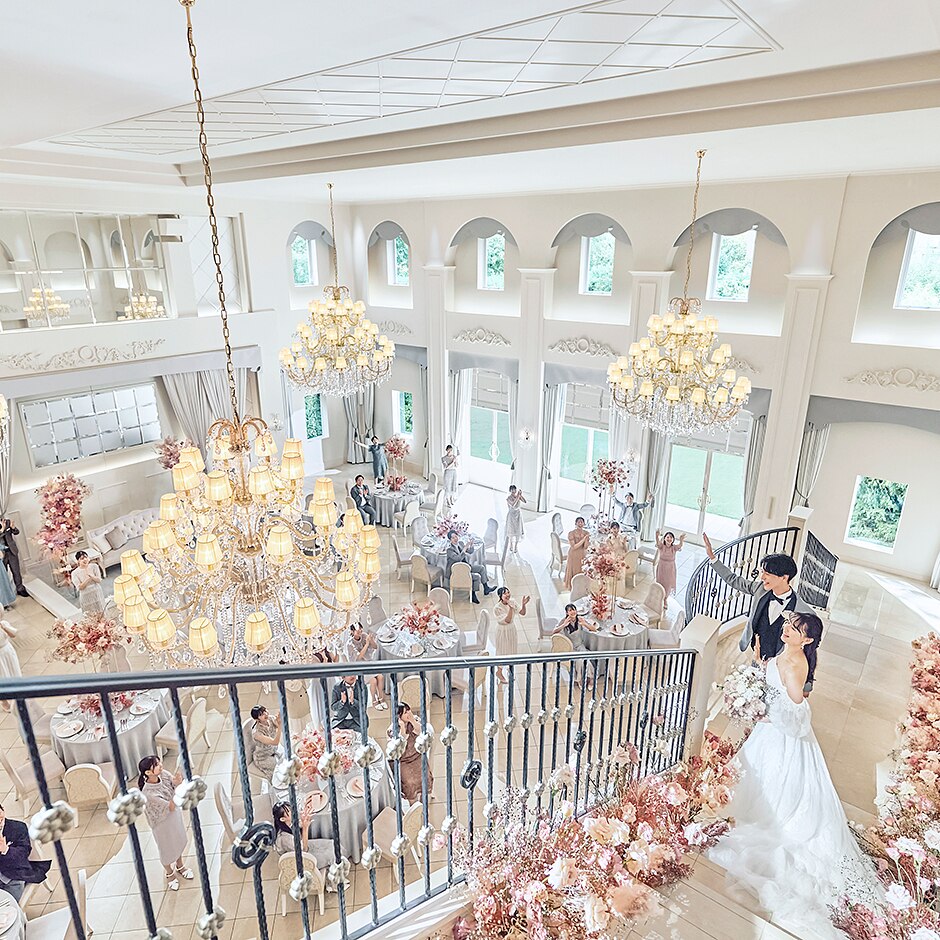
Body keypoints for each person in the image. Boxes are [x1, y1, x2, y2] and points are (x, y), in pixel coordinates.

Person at [708, 612, 881, 936]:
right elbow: (775, 690)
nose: (787, 630)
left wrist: (764, 715)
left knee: (774, 787)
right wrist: (758, 677)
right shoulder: (784, 654)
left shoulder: (796, 664)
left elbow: (798, 717)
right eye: (789, 625)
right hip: (767, 732)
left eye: (795, 629)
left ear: (808, 640)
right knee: (750, 775)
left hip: (782, 739)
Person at [703, 533, 816, 691]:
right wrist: (712, 558)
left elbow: (809, 651)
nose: (762, 577)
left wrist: (807, 683)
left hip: (780, 663)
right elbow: (733, 580)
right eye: (762, 572)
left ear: (784, 577)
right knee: (755, 688)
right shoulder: (760, 589)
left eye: (767, 574)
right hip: (756, 653)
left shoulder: (804, 613)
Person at [138, 756, 194, 892]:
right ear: (148, 772)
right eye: (156, 765)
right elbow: (170, 806)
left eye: (159, 762)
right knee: (166, 847)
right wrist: (180, 788)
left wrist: (177, 781)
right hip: (161, 823)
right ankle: (169, 873)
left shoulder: (163, 774)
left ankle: (180, 865)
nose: (160, 765)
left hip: (174, 816)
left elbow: (172, 782)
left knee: (178, 840)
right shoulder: (149, 793)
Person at [0, 803, 51, 900]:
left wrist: (6, 850)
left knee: (10, 903)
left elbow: (24, 853)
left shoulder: (18, 827)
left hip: (14, 873)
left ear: (3, 809)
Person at [388, 703, 433, 803]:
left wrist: (412, 721)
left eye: (409, 710)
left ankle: (424, 804)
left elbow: (422, 733)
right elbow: (399, 749)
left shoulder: (415, 720)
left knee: (425, 777)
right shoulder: (393, 730)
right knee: (409, 783)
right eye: (405, 712)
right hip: (403, 760)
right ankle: (414, 806)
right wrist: (403, 731)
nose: (409, 713)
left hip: (417, 755)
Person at [444, 530, 494, 604]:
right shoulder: (449, 550)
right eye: (453, 538)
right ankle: (473, 594)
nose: (455, 539)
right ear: (450, 540)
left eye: (456, 536)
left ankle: (486, 588)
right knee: (476, 577)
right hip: (456, 572)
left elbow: (470, 551)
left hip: (466, 567)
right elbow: (458, 558)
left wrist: (471, 545)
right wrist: (464, 548)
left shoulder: (460, 543)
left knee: (481, 568)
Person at [346, 623, 386, 710]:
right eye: (358, 631)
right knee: (373, 681)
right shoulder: (349, 644)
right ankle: (374, 700)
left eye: (361, 629)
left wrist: (371, 640)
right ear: (352, 632)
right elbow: (359, 657)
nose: (360, 632)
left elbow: (375, 647)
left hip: (369, 663)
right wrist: (367, 644)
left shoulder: (364, 635)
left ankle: (381, 698)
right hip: (359, 667)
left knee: (380, 677)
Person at [492, 587, 529, 683]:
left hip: (511, 630)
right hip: (502, 631)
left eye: (508, 592)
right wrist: (511, 608)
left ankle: (510, 669)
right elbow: (507, 620)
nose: (507, 595)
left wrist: (523, 605)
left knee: (512, 649)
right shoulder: (497, 608)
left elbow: (522, 613)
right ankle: (499, 672)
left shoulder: (512, 601)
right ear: (500, 596)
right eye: (505, 593)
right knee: (502, 651)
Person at [249, 705, 282, 778]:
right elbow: (275, 742)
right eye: (261, 714)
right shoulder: (257, 733)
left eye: (265, 711)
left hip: (274, 749)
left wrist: (280, 719)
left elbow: (280, 725)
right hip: (263, 757)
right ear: (257, 719)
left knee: (289, 761)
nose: (266, 714)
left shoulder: (271, 718)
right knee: (278, 773)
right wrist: (280, 725)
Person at [654, 530, 685, 602]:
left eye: (671, 537)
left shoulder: (674, 548)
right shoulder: (662, 546)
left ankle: (665, 599)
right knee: (660, 581)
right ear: (664, 538)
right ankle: (659, 596)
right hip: (661, 567)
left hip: (670, 569)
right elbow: (658, 543)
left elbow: (680, 546)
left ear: (673, 539)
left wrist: (681, 540)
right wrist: (657, 536)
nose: (669, 539)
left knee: (668, 584)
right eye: (667, 537)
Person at [0, 520, 26, 597]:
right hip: (1, 553)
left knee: (16, 571)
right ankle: (7, 593)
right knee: (3, 575)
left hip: (12, 551)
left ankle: (20, 589)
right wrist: (2, 530)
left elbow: (16, 532)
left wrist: (13, 527)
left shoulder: (7, 522)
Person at [563, 517, 590, 590]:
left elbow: (585, 547)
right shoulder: (571, 533)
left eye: (582, 522)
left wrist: (587, 540)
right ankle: (572, 586)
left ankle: (580, 586)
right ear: (576, 523)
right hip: (573, 554)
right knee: (574, 569)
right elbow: (574, 546)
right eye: (579, 522)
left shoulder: (586, 533)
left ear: (584, 523)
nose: (580, 523)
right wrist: (584, 539)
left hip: (582, 554)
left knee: (581, 569)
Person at [505, 485, 526, 552]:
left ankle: (516, 546)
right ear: (510, 491)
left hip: (518, 515)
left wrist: (520, 495)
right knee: (511, 530)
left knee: (518, 530)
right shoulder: (508, 498)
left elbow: (525, 501)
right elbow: (513, 504)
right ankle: (511, 544)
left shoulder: (518, 496)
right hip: (511, 516)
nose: (513, 491)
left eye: (514, 489)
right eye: (512, 490)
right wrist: (517, 496)